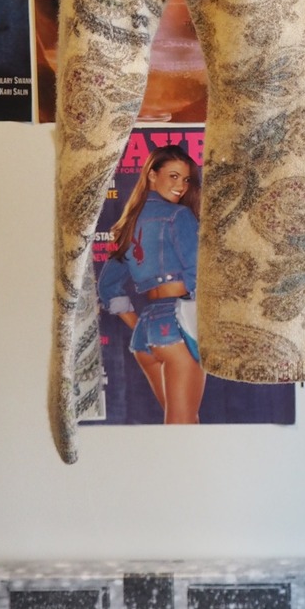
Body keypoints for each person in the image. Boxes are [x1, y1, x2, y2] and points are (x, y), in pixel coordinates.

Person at [98, 145, 205, 424]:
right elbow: (199, 274)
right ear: (152, 175)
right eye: (173, 176)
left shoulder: (129, 223)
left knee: (184, 424)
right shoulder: (179, 216)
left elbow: (108, 287)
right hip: (178, 327)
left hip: (145, 334)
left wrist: (140, 325)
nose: (181, 186)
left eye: (186, 179)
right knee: (183, 425)